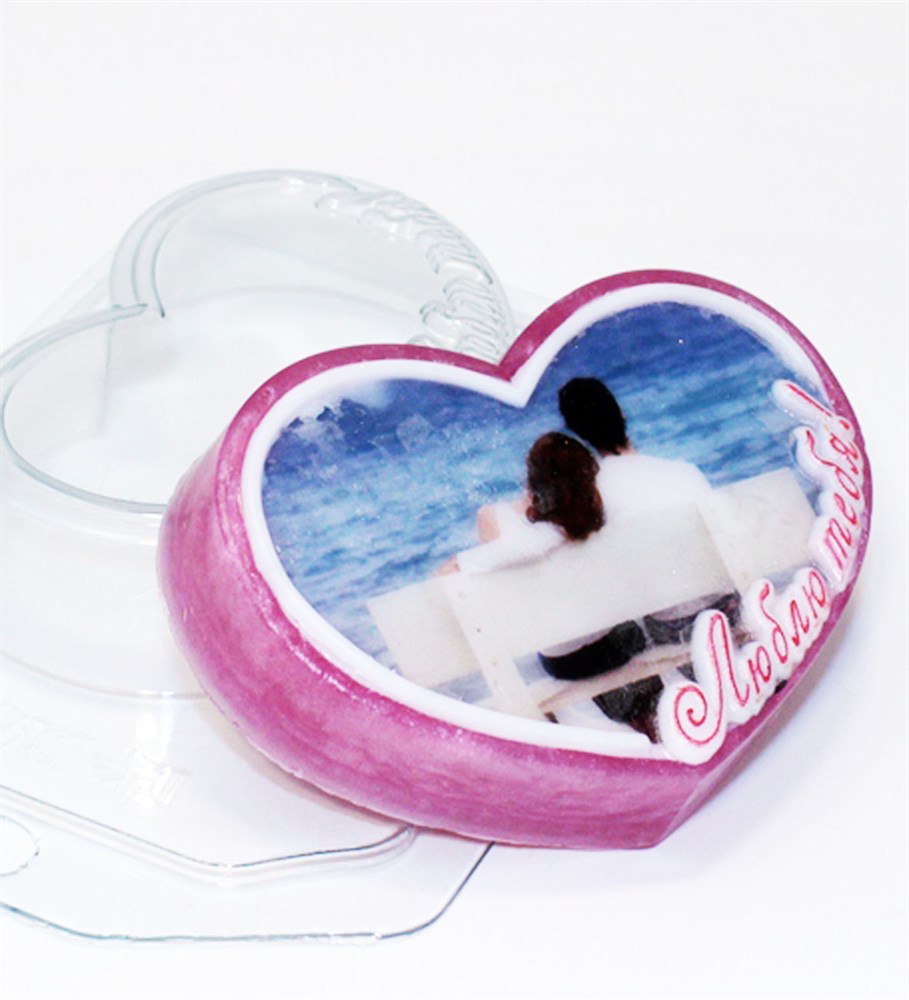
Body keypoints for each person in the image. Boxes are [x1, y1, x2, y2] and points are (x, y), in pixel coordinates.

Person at [556, 377, 737, 740]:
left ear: (576, 433)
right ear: (621, 414)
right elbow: (731, 539)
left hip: (674, 628)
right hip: (730, 610)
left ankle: (661, 731)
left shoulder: (594, 500)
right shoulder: (683, 471)